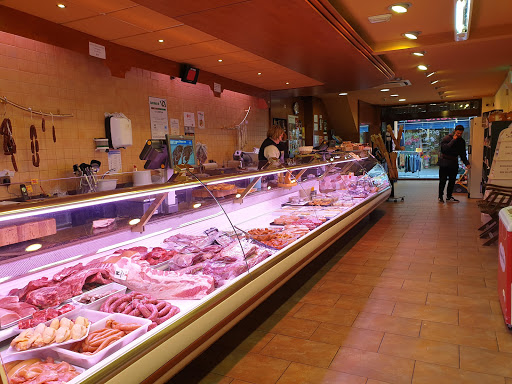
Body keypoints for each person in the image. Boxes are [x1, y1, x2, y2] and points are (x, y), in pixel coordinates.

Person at [438, 125, 471, 203]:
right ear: (455, 131)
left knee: (452, 181)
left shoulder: (461, 141)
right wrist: (453, 140)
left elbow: (462, 154)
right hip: (444, 162)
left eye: (461, 133)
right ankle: (440, 196)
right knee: (443, 180)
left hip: (453, 162)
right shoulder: (447, 138)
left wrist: (466, 163)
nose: (459, 135)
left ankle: (449, 196)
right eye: (458, 133)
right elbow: (444, 149)